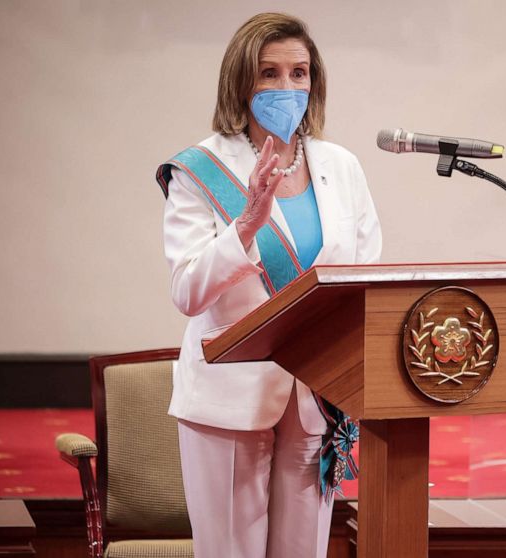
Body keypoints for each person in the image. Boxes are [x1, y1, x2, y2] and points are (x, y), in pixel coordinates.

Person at [155, 13, 381, 558]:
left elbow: (367, 278)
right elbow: (188, 291)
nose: (287, 87)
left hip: (313, 396)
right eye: (269, 73)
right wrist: (247, 227)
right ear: (241, 81)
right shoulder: (199, 170)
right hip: (228, 401)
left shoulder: (341, 166)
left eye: (299, 73)